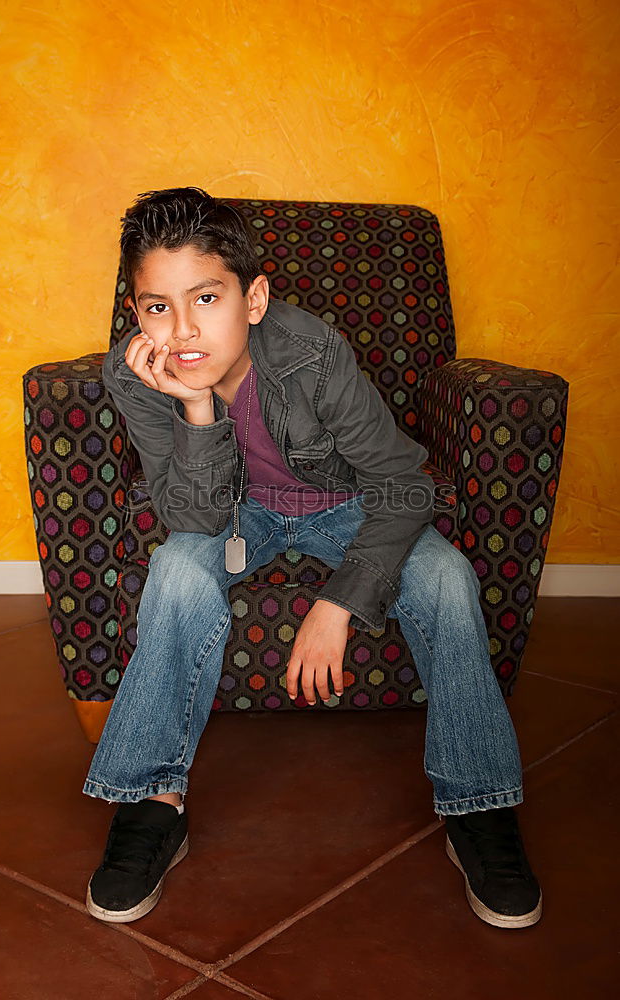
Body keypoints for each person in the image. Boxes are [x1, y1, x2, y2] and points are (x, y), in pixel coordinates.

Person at [83, 186, 542, 930]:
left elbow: (401, 485)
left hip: (344, 503)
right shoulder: (134, 374)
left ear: (253, 298)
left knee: (447, 578)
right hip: (235, 514)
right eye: (157, 305)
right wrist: (196, 407)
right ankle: (151, 802)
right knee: (174, 570)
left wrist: (339, 602)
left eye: (206, 297)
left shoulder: (313, 352)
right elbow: (191, 517)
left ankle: (479, 803)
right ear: (136, 311)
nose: (183, 328)